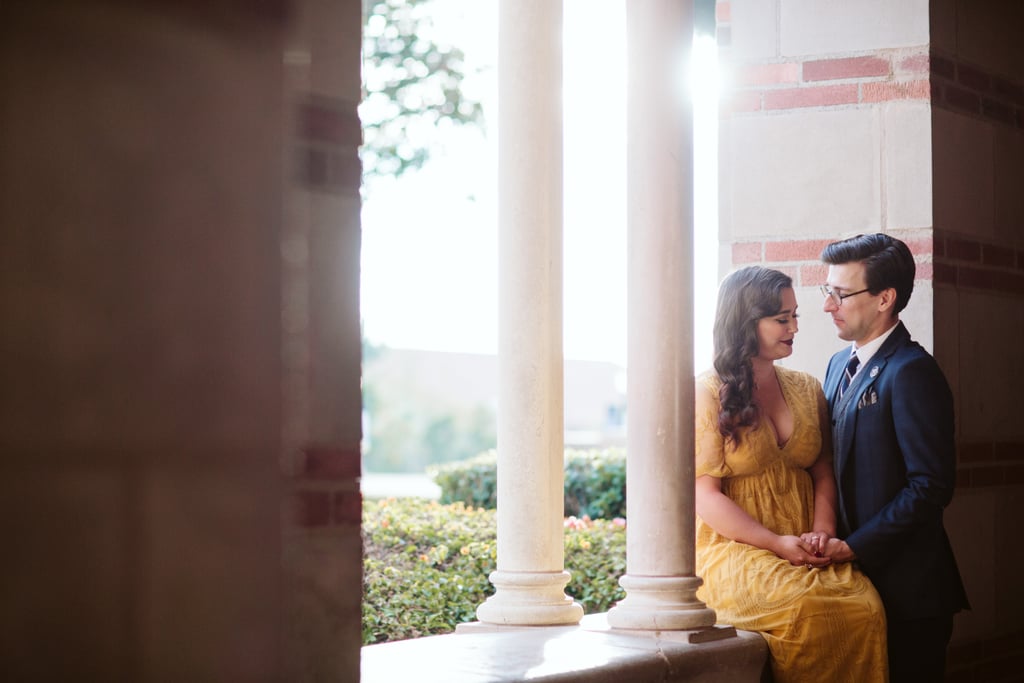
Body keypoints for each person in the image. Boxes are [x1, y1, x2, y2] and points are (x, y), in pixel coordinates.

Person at [694, 265, 888, 683]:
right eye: (782, 319)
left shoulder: (806, 387)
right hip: (735, 547)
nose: (794, 327)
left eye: (795, 316)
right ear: (746, 323)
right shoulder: (707, 392)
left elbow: (822, 472)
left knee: (865, 602)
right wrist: (775, 543)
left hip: (803, 543)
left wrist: (822, 531)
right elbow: (705, 495)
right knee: (808, 609)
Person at [819, 233, 970, 682]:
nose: (829, 306)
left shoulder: (912, 372)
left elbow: (930, 487)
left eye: (840, 294)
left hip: (911, 595)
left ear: (885, 298)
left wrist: (855, 545)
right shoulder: (833, 365)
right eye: (827, 292)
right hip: (853, 588)